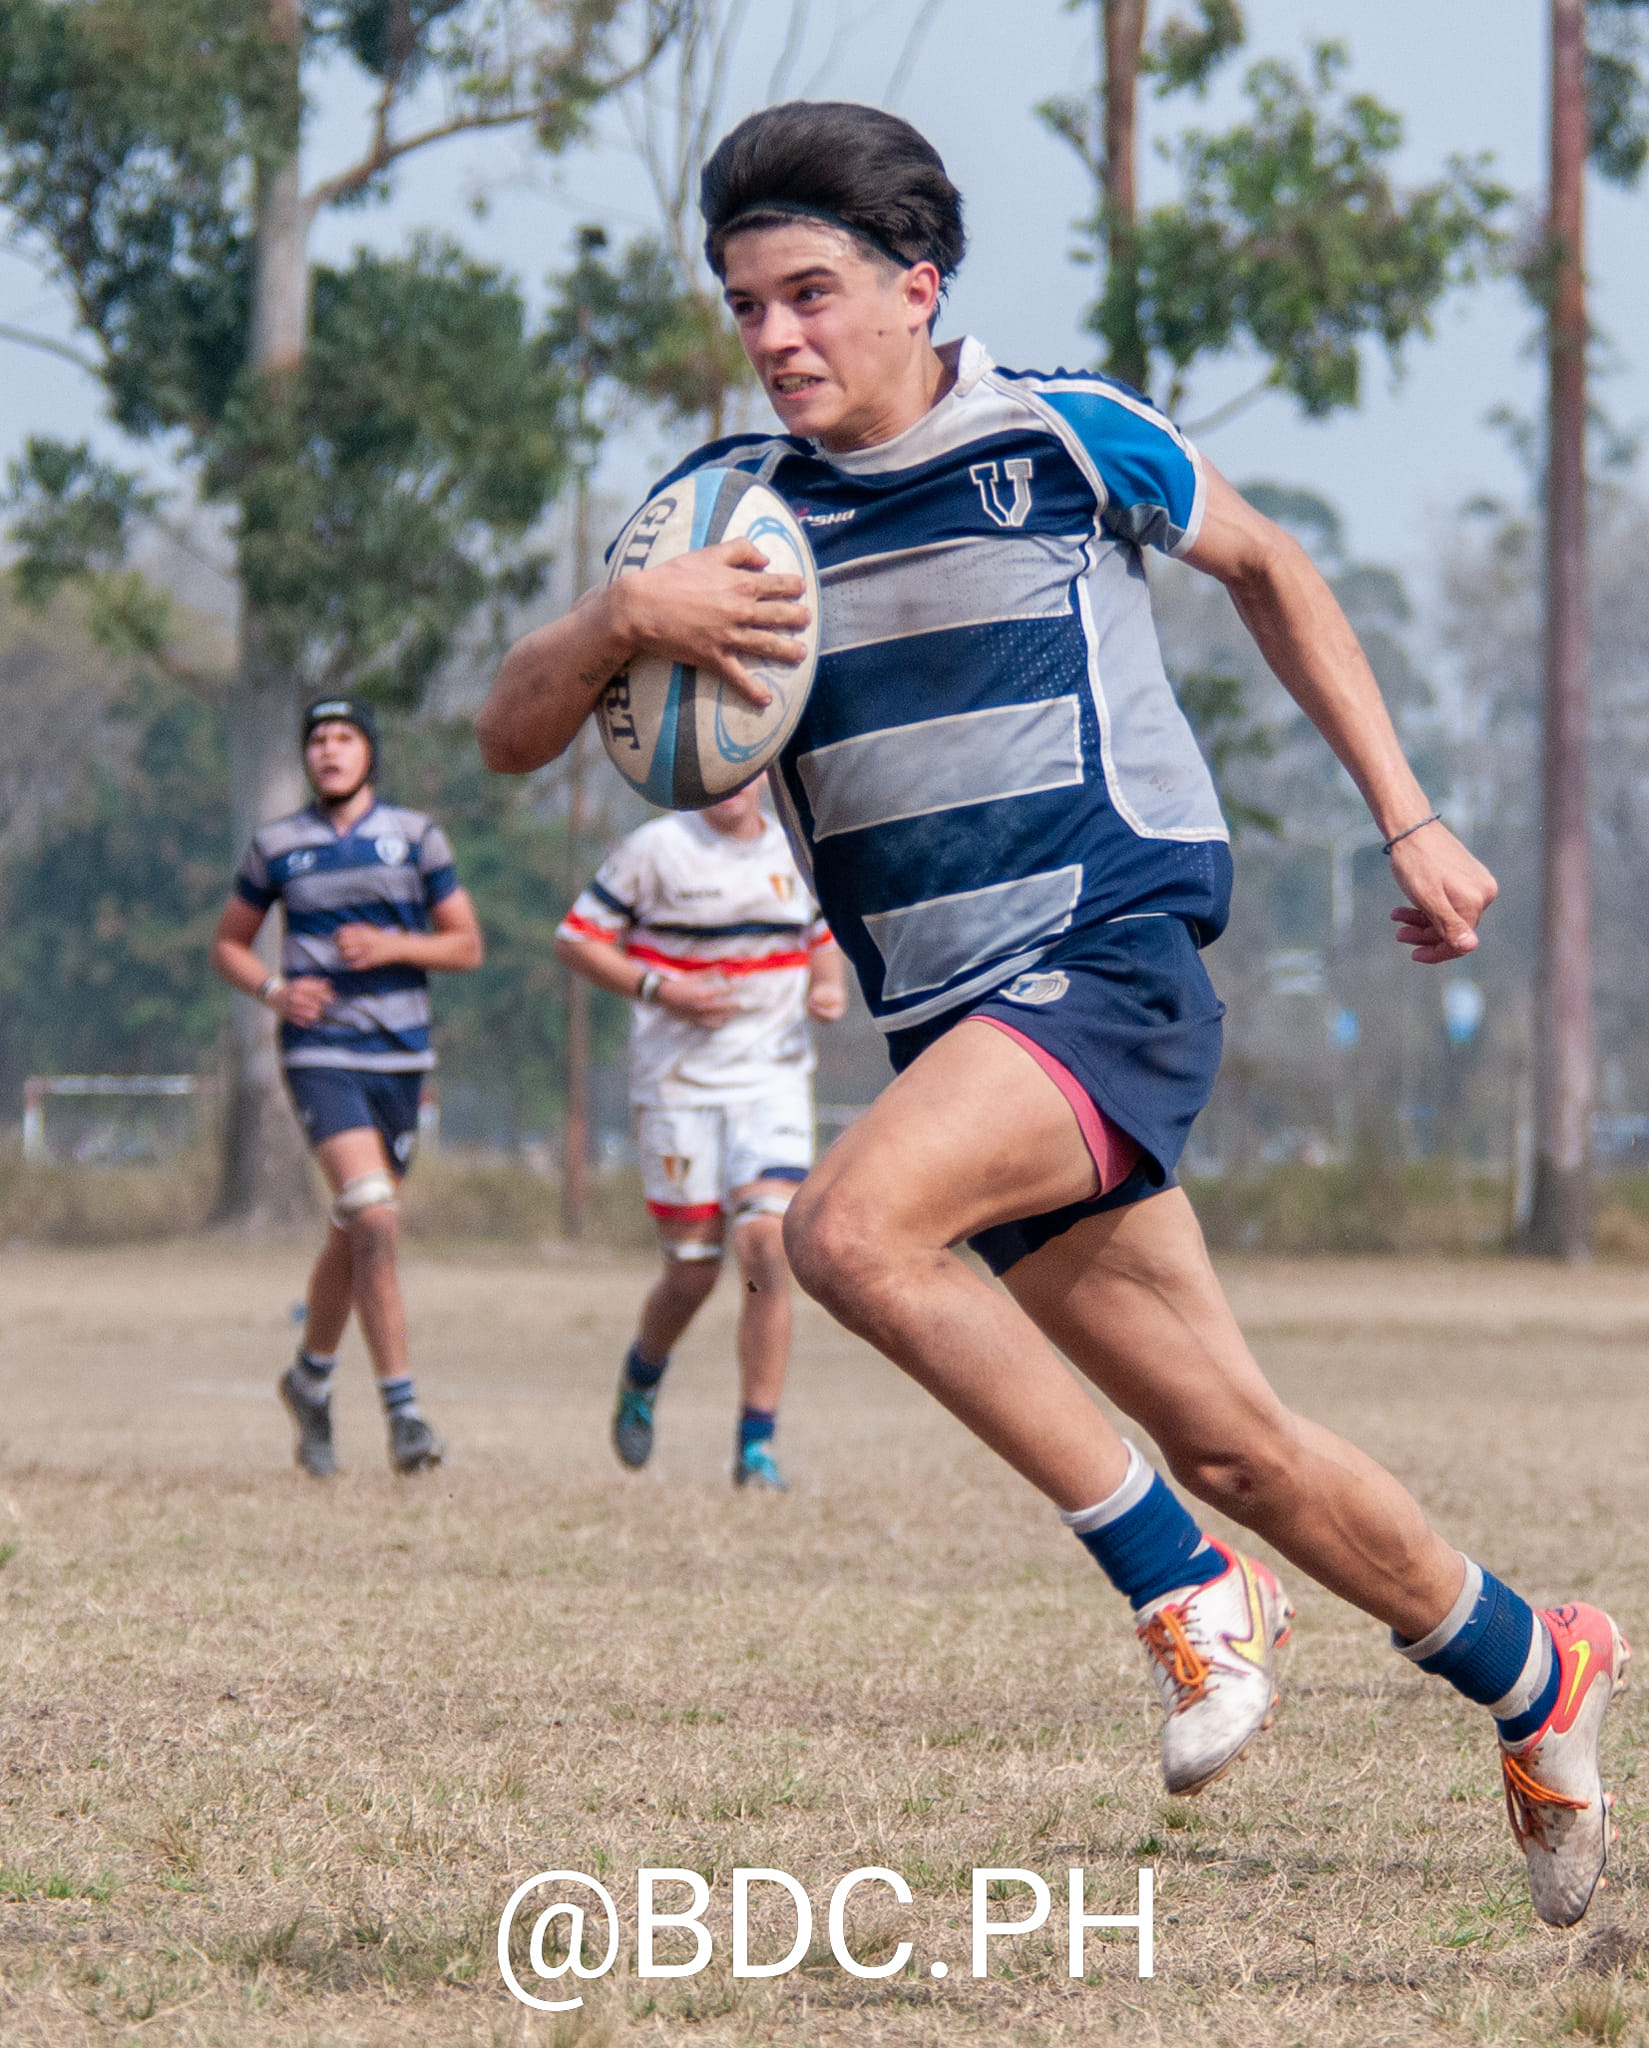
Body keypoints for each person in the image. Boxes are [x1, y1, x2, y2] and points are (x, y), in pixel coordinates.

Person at [476, 101, 1626, 1928]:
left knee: (844, 1232)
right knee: (1240, 1438)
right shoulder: (719, 528)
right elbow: (511, 731)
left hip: (1107, 952)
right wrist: (625, 610)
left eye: (808, 293)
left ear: (915, 285)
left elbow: (1268, 566)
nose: (771, 336)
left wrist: (1401, 812)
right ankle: (1526, 1663)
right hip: (960, 1033)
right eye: (743, 304)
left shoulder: (1060, 430)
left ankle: (1187, 1591)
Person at [210, 697, 483, 1478]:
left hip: (400, 1060)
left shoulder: (417, 837)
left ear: (369, 751)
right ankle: (404, 1414)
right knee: (376, 1217)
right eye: (317, 740)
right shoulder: (278, 846)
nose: (328, 752)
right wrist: (273, 991)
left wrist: (393, 942)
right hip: (320, 1053)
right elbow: (229, 945)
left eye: (344, 737)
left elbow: (466, 946)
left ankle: (308, 1381)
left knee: (357, 1229)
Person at [555, 783, 846, 1488]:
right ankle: (642, 1373)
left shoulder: (792, 847)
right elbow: (576, 940)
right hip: (677, 1086)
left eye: (745, 768)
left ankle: (755, 1447)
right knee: (690, 1273)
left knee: (765, 1247)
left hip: (770, 1079)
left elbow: (822, 934)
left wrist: (827, 987)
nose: (733, 785)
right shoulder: (657, 849)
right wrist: (661, 989)